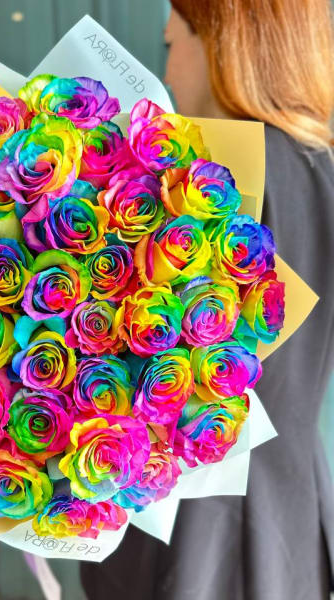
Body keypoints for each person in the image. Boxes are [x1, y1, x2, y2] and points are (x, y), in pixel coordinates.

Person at [81, 1, 334, 598]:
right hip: (291, 510)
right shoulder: (320, 165)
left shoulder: (212, 182)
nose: (168, 72)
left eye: (174, 44)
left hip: (193, 527)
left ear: (221, 47)